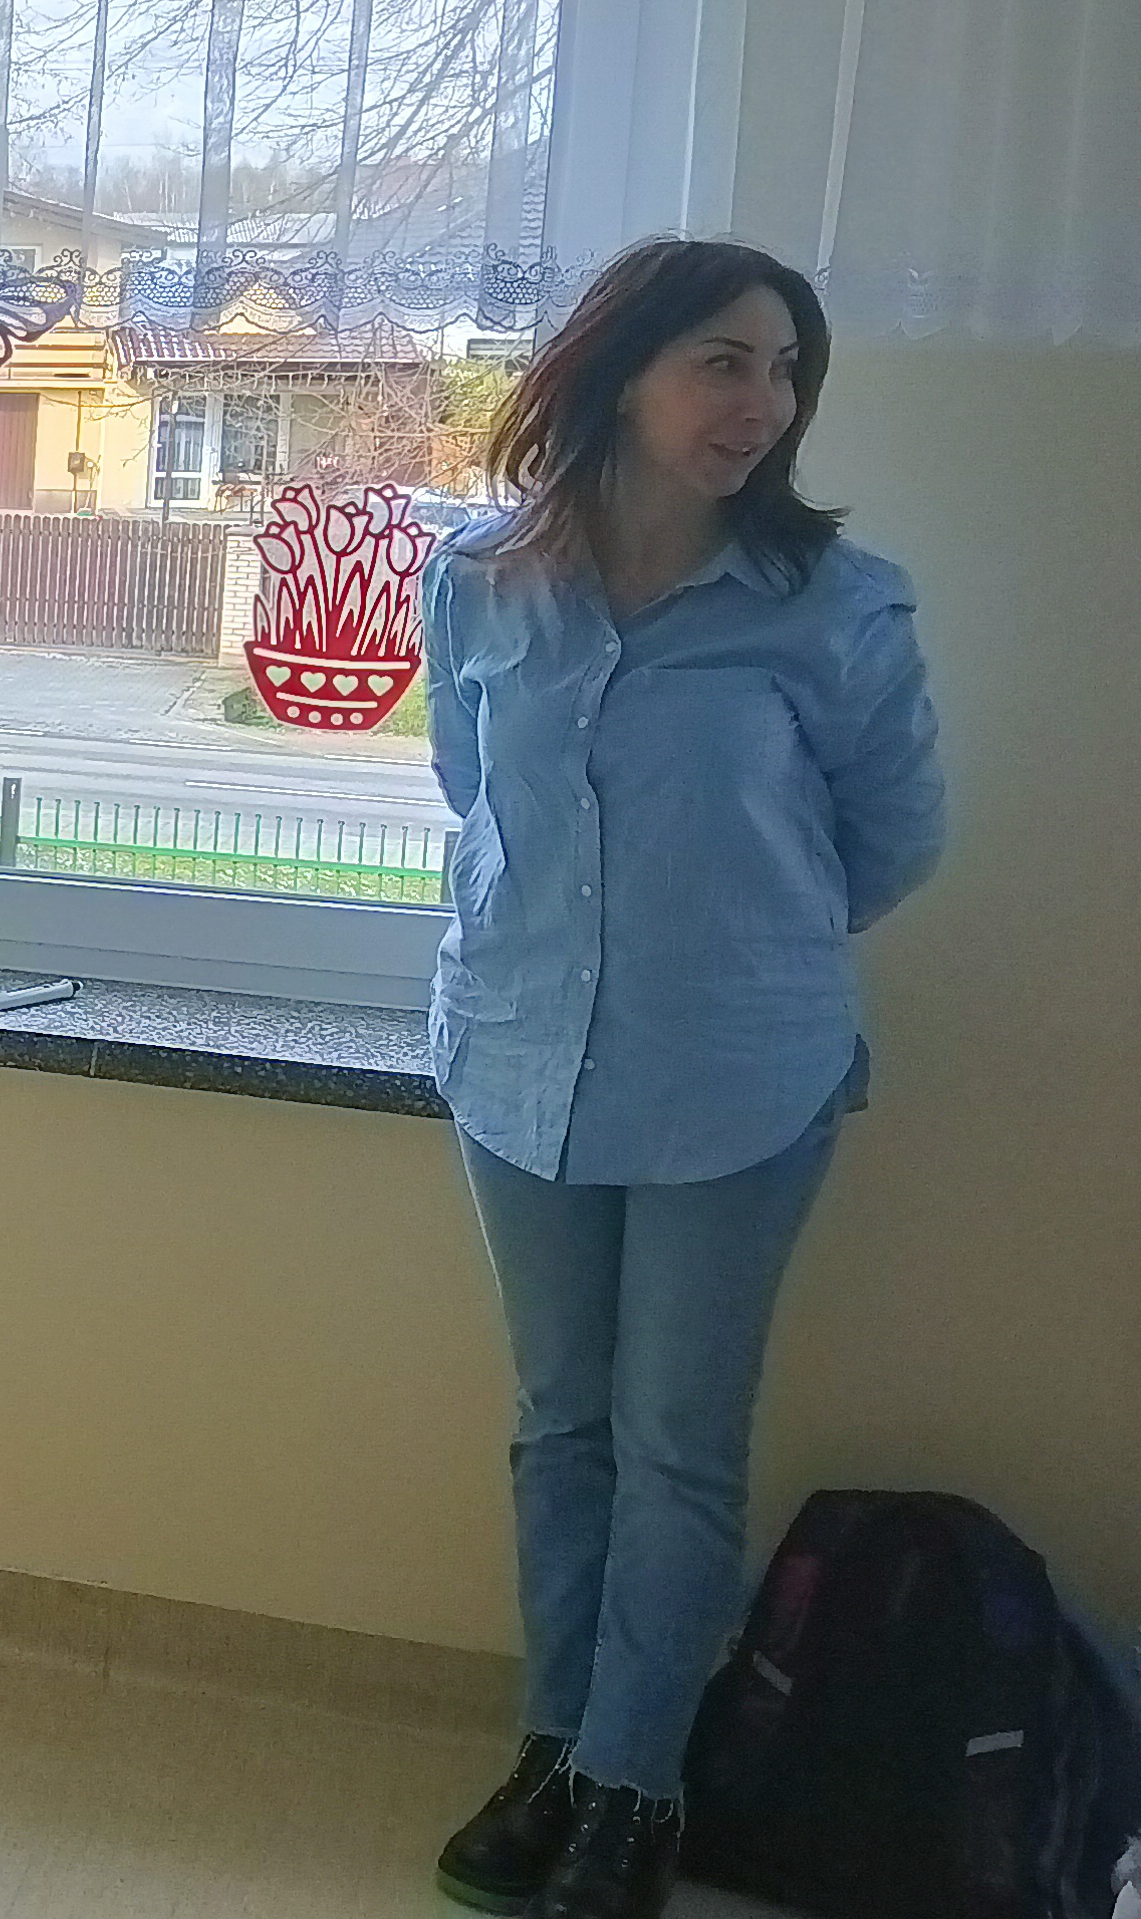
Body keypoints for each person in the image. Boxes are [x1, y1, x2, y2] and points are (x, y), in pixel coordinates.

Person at [419, 241, 945, 1919]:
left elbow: (894, 839)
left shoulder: (835, 606)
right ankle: (557, 1743)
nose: (763, 403)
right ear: (622, 369)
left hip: (740, 1075)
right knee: (559, 1426)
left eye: (786, 370)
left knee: (676, 1443)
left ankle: (635, 1784)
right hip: (519, 1053)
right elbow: (471, 792)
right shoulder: (480, 581)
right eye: (725, 360)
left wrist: (728, 948)